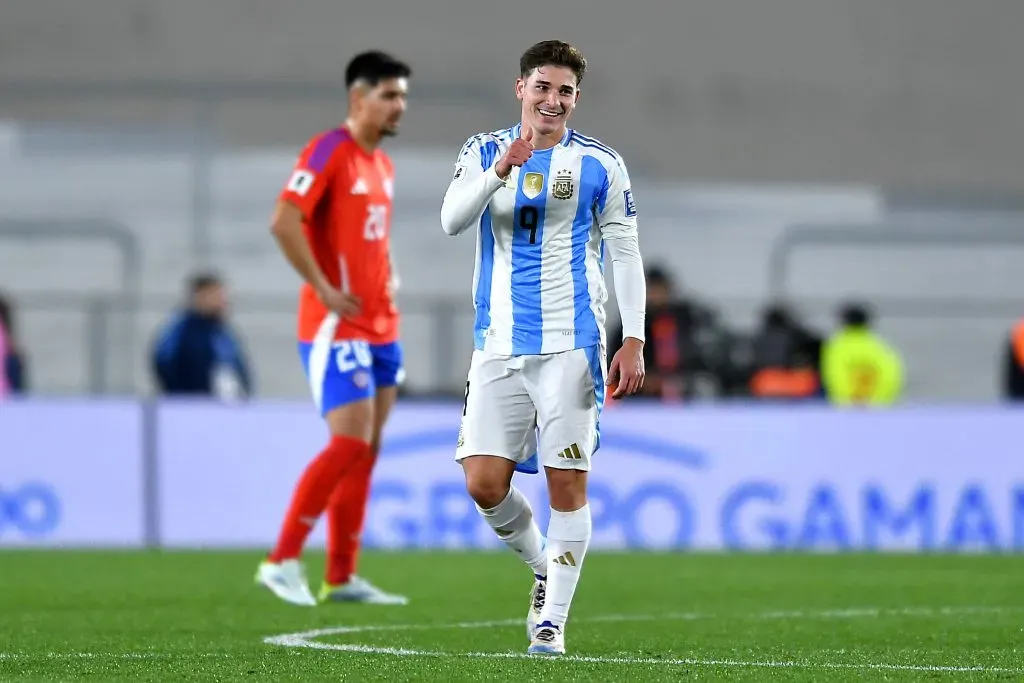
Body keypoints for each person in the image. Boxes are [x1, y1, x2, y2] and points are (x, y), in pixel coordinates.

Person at [440, 40, 646, 656]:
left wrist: (631, 335)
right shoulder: (482, 150)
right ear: (520, 88)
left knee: (568, 485)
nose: (553, 100)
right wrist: (504, 167)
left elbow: (626, 253)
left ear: (575, 99)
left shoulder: (601, 165)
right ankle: (541, 567)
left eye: (565, 92)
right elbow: (452, 220)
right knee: (482, 482)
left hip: (572, 346)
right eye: (543, 87)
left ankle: (551, 622)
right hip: (496, 343)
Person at [257, 50, 411, 607]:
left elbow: (369, 237)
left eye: (402, 97)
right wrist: (322, 287)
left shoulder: (383, 167)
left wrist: (388, 270)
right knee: (347, 443)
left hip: (381, 326)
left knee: (366, 449)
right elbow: (284, 220)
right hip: (336, 325)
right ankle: (281, 560)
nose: (399, 107)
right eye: (389, 96)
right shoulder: (329, 151)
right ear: (357, 98)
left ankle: (341, 576)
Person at [151, 273, 253, 401]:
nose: (223, 301)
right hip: (193, 406)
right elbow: (165, 363)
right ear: (200, 295)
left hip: (226, 407)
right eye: (216, 295)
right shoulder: (181, 331)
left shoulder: (223, 332)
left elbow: (237, 368)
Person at [821, 302, 903, 406]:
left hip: (847, 406)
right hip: (877, 406)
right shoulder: (878, 344)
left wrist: (846, 398)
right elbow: (890, 373)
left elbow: (835, 374)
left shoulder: (837, 345)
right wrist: (879, 399)